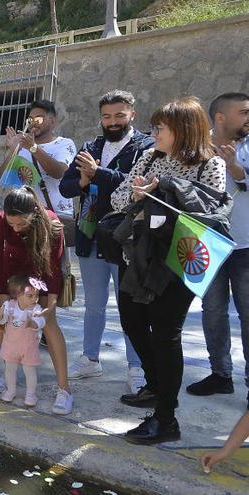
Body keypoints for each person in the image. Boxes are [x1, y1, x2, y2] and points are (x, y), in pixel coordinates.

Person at [111, 96, 226, 444]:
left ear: (183, 129)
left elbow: (211, 216)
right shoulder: (150, 156)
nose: (154, 132)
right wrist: (137, 197)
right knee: (131, 321)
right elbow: (118, 199)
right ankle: (156, 384)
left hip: (176, 262)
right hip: (138, 258)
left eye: (161, 127)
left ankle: (166, 419)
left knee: (165, 334)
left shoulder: (211, 164)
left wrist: (165, 190)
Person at [59, 90, 155, 394]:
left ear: (132, 115)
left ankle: (137, 366)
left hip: (127, 238)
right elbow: (66, 187)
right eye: (106, 116)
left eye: (119, 115)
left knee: (132, 308)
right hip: (90, 234)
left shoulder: (146, 148)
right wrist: (84, 181)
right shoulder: (90, 146)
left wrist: (98, 173)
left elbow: (132, 187)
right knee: (94, 305)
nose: (112, 122)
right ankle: (90, 358)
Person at [0, 186, 73, 415]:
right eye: (11, 223)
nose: (14, 228)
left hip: (42, 275)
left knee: (50, 325)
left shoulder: (52, 224)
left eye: (20, 223)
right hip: (13, 275)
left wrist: (51, 304)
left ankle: (64, 389)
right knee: (3, 322)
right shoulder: (0, 223)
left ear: (34, 214)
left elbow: (54, 269)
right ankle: (9, 373)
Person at [188, 92, 249, 403]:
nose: (248, 117)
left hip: (246, 246)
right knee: (212, 311)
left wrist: (237, 170)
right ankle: (220, 375)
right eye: (243, 112)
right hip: (207, 242)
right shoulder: (196, 146)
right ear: (222, 117)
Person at [0, 100, 78, 236]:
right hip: (25, 218)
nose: (33, 122)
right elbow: (1, 178)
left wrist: (33, 148)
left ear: (53, 121)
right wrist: (13, 150)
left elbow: (59, 172)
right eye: (30, 119)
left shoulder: (64, 144)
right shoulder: (21, 147)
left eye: (39, 119)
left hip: (55, 218)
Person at [0, 275, 47, 406]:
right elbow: (1, 320)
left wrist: (34, 323)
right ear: (18, 295)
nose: (35, 299)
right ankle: (11, 390)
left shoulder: (36, 309)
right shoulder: (9, 306)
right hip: (10, 346)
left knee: (29, 371)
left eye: (37, 295)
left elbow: (42, 321)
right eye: (30, 296)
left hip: (28, 347)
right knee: (9, 369)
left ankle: (30, 394)